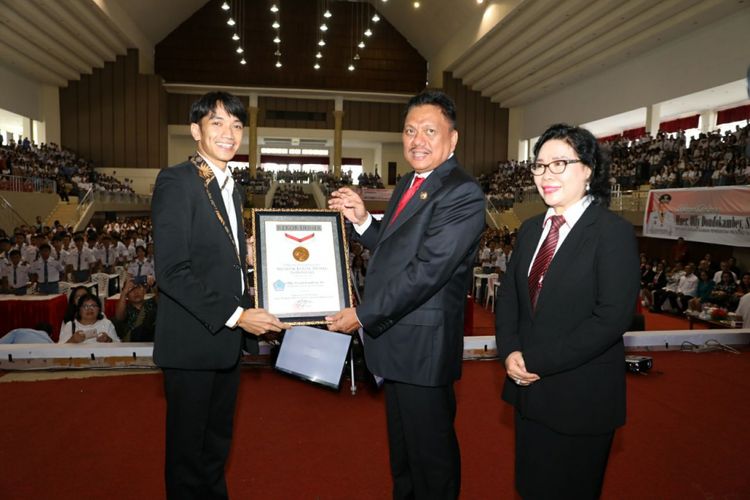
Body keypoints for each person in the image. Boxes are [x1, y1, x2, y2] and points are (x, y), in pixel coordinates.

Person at [326, 90, 486, 499]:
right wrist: (363, 220)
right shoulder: (411, 182)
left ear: (452, 140)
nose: (418, 139)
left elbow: (427, 270)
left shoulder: (461, 192)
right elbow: (396, 246)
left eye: (430, 130)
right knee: (404, 458)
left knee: (431, 462)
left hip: (423, 346)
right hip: (398, 342)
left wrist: (362, 315)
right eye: (411, 130)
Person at [152, 91, 289, 500]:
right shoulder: (177, 180)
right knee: (187, 457)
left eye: (236, 125)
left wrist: (246, 255)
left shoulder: (234, 187)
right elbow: (173, 272)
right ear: (196, 130)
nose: (229, 134)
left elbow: (215, 256)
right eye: (217, 123)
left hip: (224, 344)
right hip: (193, 343)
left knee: (215, 449)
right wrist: (238, 315)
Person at [495, 123, 639, 499]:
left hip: (580, 397)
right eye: (540, 166)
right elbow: (510, 297)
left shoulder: (612, 233)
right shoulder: (529, 230)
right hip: (528, 392)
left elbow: (612, 317)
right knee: (530, 488)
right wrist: (509, 351)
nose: (546, 175)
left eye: (559, 164)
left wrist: (535, 360)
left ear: (588, 169)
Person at [114, 277, 157, 342]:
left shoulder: (152, 303)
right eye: (131, 289)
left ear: (145, 290)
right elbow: (119, 317)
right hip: (132, 346)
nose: (136, 292)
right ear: (127, 294)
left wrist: (153, 284)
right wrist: (124, 292)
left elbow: (161, 295)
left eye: (138, 287)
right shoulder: (125, 309)